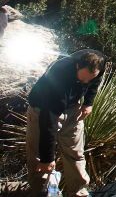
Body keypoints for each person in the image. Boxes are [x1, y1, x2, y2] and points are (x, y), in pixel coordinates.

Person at [25, 49, 106, 197]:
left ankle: (78, 192)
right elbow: (48, 120)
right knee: (39, 157)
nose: (85, 83)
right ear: (77, 66)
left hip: (72, 108)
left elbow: (95, 81)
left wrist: (88, 102)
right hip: (43, 110)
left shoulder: (99, 65)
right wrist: (47, 159)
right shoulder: (59, 73)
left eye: (89, 79)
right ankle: (41, 192)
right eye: (83, 79)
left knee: (75, 152)